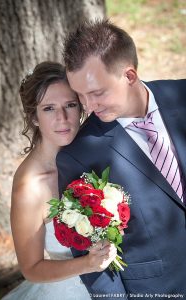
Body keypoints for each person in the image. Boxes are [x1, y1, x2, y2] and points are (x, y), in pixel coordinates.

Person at [56, 19, 186, 299]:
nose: (88, 106)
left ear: (129, 76)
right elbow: (93, 262)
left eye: (96, 92)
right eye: (80, 95)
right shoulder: (79, 155)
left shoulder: (183, 95)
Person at [2, 61, 117, 300]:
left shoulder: (98, 151)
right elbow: (31, 269)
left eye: (70, 105)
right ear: (34, 117)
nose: (62, 118)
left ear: (82, 107)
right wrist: (89, 264)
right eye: (49, 109)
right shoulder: (30, 188)